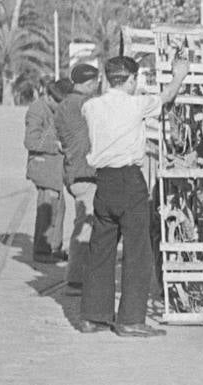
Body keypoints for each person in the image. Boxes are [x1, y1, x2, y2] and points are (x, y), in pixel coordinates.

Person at [79, 55, 190, 337]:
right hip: (129, 181)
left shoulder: (90, 106)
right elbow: (166, 96)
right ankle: (130, 319)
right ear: (130, 80)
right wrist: (180, 74)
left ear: (107, 78)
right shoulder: (136, 104)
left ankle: (93, 316)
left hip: (103, 182)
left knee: (101, 249)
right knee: (138, 251)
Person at [55, 63, 101, 293]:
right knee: (86, 224)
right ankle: (76, 279)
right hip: (86, 172)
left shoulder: (63, 105)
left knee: (84, 222)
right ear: (91, 83)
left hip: (73, 171)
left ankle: (80, 275)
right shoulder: (86, 105)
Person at [24, 78, 72, 262]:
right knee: (47, 209)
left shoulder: (54, 109)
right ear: (49, 97)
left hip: (55, 169)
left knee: (59, 208)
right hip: (44, 166)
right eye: (59, 102)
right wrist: (56, 145)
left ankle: (54, 246)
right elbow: (30, 141)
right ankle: (42, 250)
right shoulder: (37, 109)